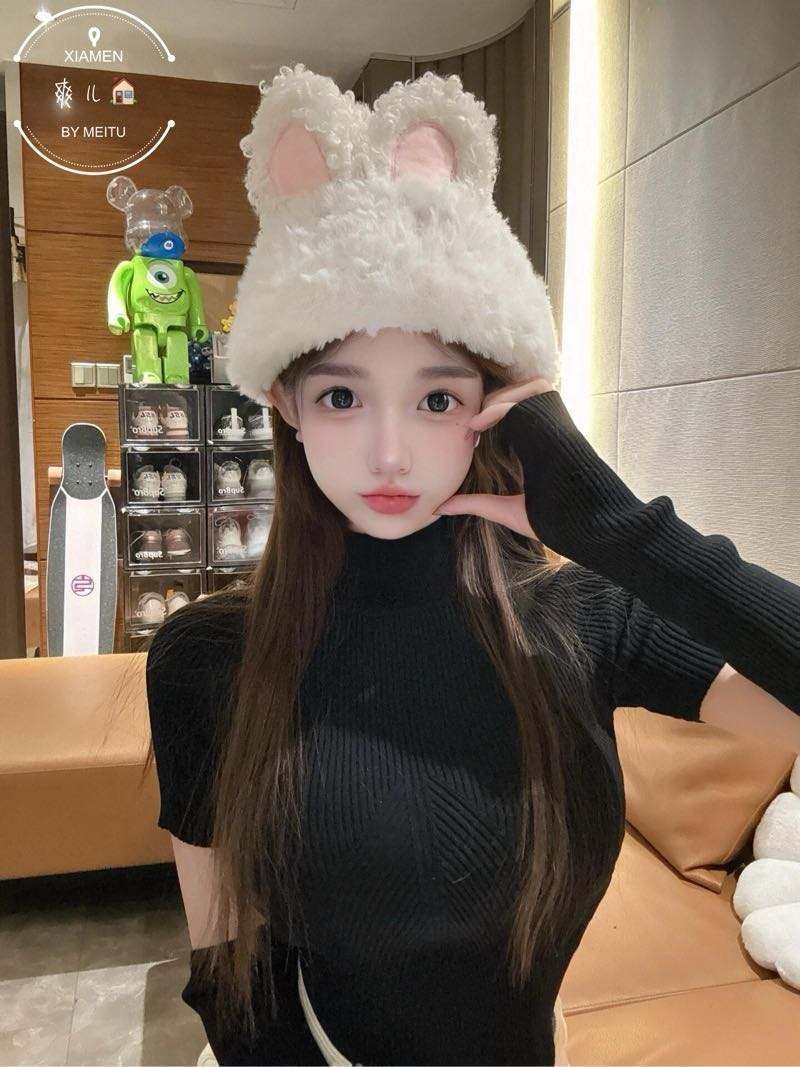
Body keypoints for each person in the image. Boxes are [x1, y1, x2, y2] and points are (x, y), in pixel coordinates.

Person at [142, 65, 800, 1066]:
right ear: (285, 403)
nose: (390, 453)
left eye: (437, 398)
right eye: (342, 396)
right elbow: (227, 960)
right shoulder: (209, 656)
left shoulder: (583, 616)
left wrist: (622, 528)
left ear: (495, 407)